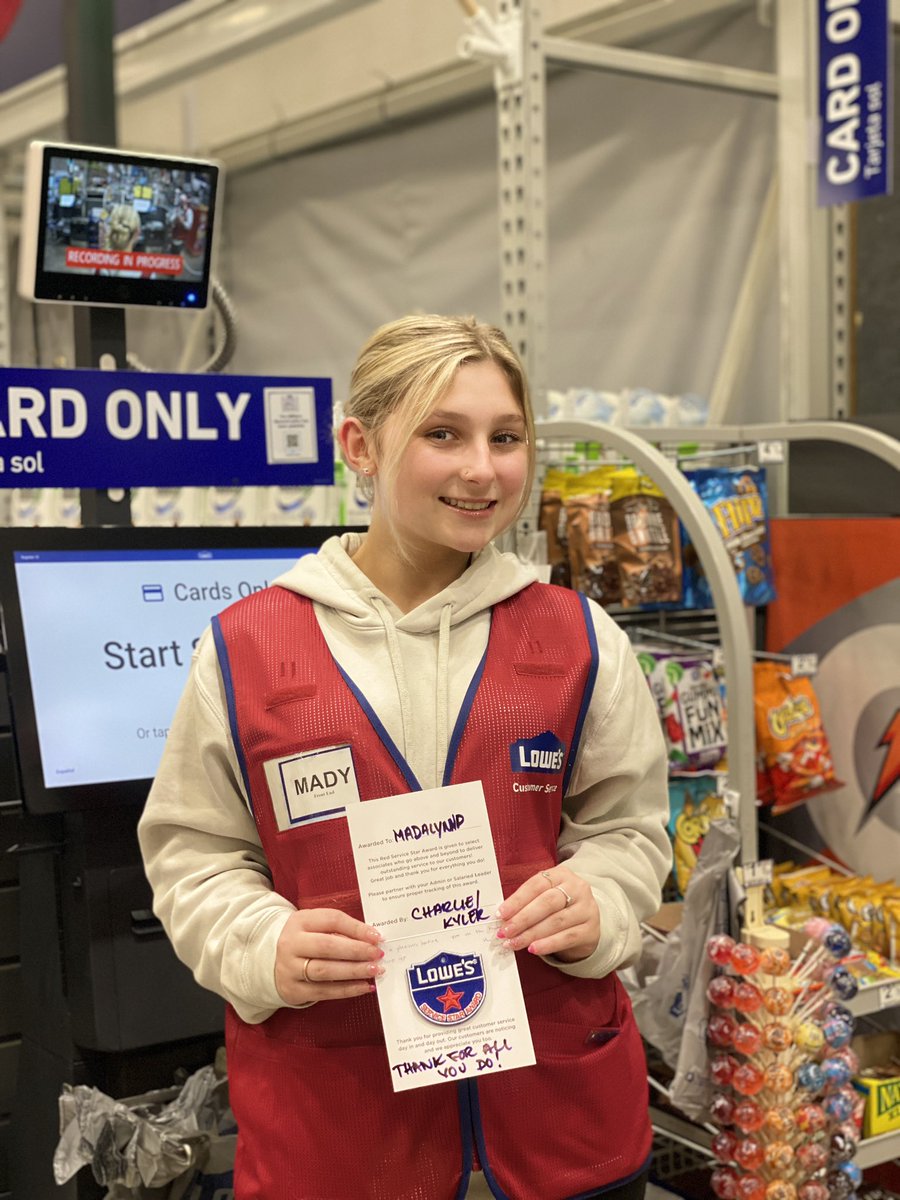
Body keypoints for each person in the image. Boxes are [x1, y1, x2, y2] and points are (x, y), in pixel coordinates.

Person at [138, 313, 672, 1200]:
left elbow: (629, 830)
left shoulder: (578, 639)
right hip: (340, 1136)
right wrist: (264, 943)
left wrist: (600, 900)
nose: (481, 468)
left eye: (506, 438)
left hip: (562, 1127)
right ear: (361, 444)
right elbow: (194, 856)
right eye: (442, 434)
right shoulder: (247, 649)